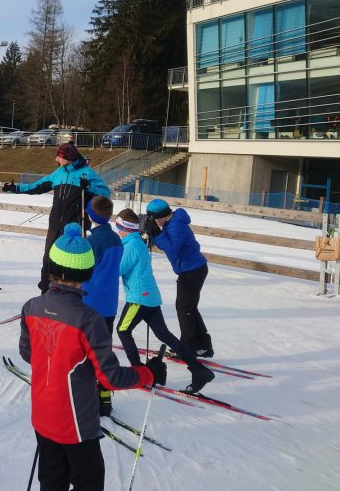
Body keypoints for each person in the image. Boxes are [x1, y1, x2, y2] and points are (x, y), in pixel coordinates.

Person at [19, 223, 165, 491]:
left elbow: (28, 352)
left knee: (52, 480)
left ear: (51, 267)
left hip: (42, 415)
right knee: (89, 481)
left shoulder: (32, 307)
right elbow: (110, 378)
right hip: (75, 424)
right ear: (87, 272)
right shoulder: (88, 320)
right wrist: (150, 373)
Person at [114, 208, 214, 394]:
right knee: (164, 335)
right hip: (150, 297)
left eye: (118, 227)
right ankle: (198, 370)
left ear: (125, 228)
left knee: (123, 330)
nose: (117, 231)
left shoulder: (130, 246)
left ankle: (138, 371)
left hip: (139, 298)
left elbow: (117, 270)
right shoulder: (136, 242)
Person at [2, 142, 109, 291]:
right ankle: (45, 291)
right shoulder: (58, 173)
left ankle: (72, 293)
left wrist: (89, 187)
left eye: (59, 156)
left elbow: (105, 194)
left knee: (72, 262)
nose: (56, 159)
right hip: (55, 225)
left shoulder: (87, 173)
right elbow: (37, 186)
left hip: (75, 227)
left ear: (68, 158)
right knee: (48, 260)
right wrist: (16, 188)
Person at [145, 198, 214, 357]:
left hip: (192, 271)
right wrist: (154, 234)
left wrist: (156, 233)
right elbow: (167, 244)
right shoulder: (172, 222)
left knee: (184, 309)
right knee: (189, 308)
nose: (154, 222)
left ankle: (188, 347)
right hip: (192, 269)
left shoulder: (175, 225)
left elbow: (173, 249)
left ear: (161, 216)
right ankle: (203, 345)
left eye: (154, 219)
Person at [81, 195, 123, 417]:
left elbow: (84, 270)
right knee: (104, 351)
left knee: (86, 351)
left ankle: (88, 396)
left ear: (90, 216)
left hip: (90, 303)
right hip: (109, 304)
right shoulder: (117, 239)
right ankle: (104, 396)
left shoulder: (93, 242)